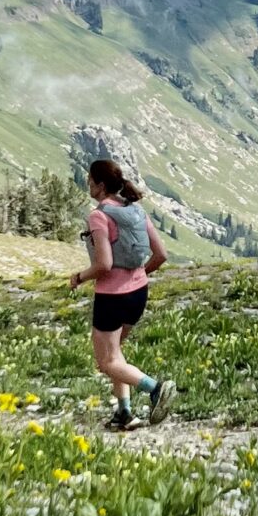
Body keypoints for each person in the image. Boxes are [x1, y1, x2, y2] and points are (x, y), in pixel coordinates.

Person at [70, 157, 176, 432]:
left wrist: (79, 277)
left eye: (90, 181)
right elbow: (161, 254)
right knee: (116, 354)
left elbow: (103, 264)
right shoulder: (137, 210)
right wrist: (138, 275)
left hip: (111, 297)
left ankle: (155, 389)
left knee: (106, 361)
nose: (88, 185)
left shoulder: (99, 215)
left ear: (100, 185)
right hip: (138, 293)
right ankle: (124, 413)